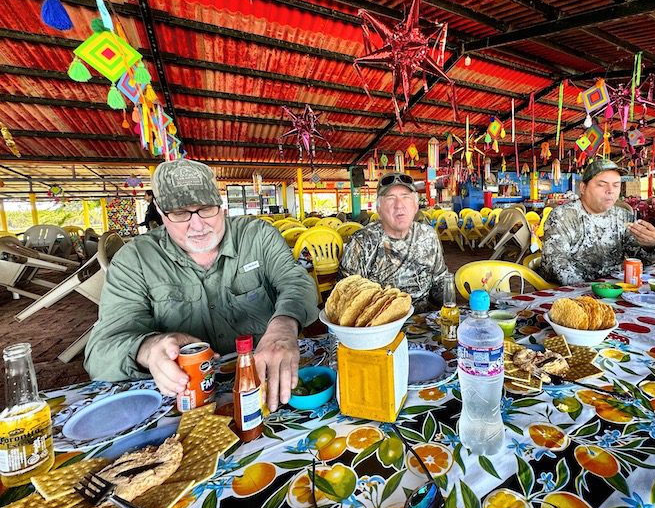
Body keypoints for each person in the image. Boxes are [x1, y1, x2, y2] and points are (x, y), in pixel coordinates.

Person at [85, 159, 318, 411]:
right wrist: (148, 349)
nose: (197, 225)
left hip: (266, 382)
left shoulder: (257, 236)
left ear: (221, 206)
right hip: (184, 399)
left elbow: (296, 281)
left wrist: (283, 325)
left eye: (206, 209)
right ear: (161, 214)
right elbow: (100, 353)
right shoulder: (136, 259)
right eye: (180, 213)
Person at [339, 172, 448, 311]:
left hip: (421, 323)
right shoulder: (361, 243)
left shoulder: (428, 235)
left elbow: (440, 281)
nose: (399, 205)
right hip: (377, 326)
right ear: (379, 209)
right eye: (390, 198)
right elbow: (346, 300)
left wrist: (452, 308)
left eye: (405, 197)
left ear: (415, 206)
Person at [541, 158, 655, 285]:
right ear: (583, 188)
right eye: (602, 184)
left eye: (616, 185)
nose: (610, 190)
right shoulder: (563, 216)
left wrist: (650, 246)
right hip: (571, 294)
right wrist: (596, 290)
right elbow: (556, 265)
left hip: (611, 290)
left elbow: (641, 261)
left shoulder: (623, 216)